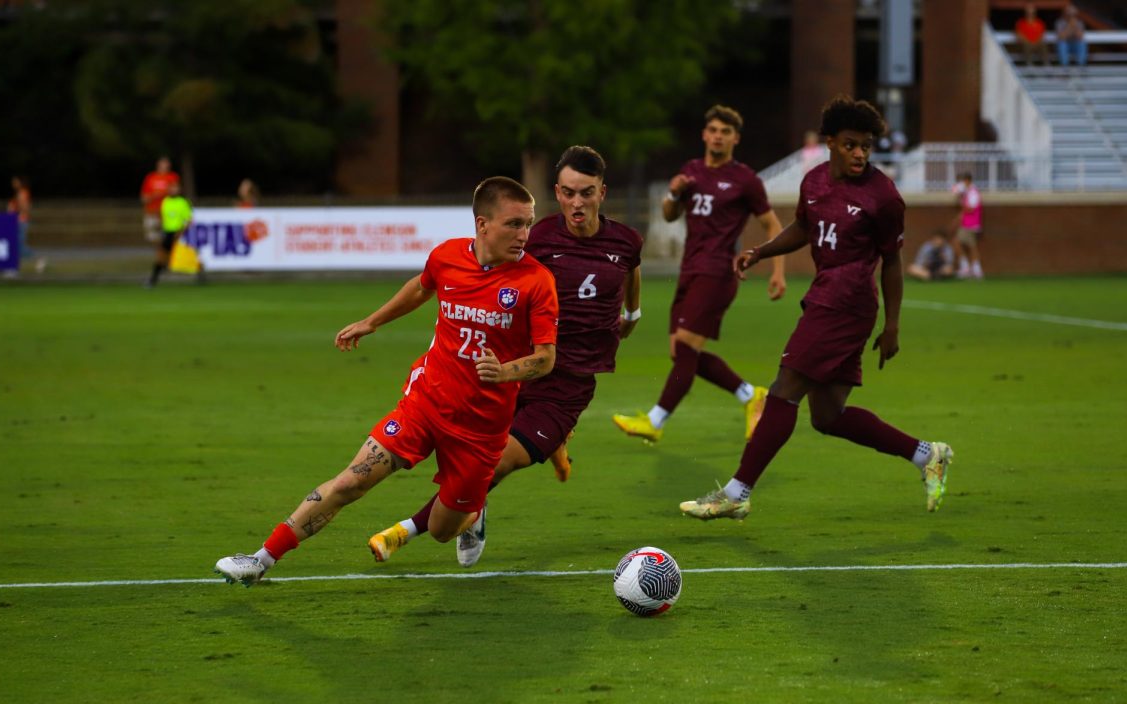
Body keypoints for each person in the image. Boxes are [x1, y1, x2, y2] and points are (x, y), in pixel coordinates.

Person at [214, 177, 560, 586]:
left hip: (481, 429)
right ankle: (260, 559)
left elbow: (546, 358)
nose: (524, 235)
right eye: (514, 224)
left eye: (529, 224)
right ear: (482, 224)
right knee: (352, 480)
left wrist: (503, 372)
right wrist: (371, 321)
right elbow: (421, 287)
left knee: (442, 529)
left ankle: (474, 511)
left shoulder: (536, 282)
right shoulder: (447, 256)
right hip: (426, 402)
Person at [678, 95, 953, 523]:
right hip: (825, 296)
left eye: (866, 145)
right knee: (827, 416)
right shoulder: (816, 181)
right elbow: (804, 228)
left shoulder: (884, 197)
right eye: (850, 144)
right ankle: (927, 454)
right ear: (830, 142)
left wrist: (893, 324)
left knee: (785, 388)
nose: (860, 153)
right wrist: (762, 252)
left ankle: (736, 492)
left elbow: (894, 262)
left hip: (848, 304)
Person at [369, 146, 644, 568]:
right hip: (515, 370)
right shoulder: (538, 237)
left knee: (495, 464)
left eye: (586, 193)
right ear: (557, 191)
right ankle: (477, 504)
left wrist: (632, 312)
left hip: (569, 384)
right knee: (480, 461)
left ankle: (408, 529)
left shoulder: (626, 241)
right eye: (568, 193)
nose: (576, 202)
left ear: (602, 193)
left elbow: (631, 271)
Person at [612, 104, 785, 446]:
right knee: (681, 352)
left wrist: (777, 270)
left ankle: (656, 420)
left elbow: (772, 223)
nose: (718, 136)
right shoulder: (691, 170)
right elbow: (670, 214)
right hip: (689, 269)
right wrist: (674, 192)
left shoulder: (745, 179)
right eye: (714, 130)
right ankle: (752, 395)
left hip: (718, 271)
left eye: (726, 132)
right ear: (705, 135)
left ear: (735, 138)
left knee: (686, 348)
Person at [146, 181, 193, 287]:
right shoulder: (165, 201)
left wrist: (181, 231)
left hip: (179, 233)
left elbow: (189, 219)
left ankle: (200, 277)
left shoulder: (183, 202)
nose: (173, 190)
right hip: (167, 232)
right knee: (161, 256)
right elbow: (162, 215)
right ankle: (153, 280)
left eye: (175, 188)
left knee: (188, 255)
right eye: (171, 188)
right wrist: (160, 226)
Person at [7, 175, 46, 275]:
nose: (13, 184)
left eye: (15, 182)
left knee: (19, 245)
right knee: (17, 245)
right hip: (19, 220)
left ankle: (38, 258)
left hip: (21, 221)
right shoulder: (21, 193)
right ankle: (15, 267)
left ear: (20, 182)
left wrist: (14, 210)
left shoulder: (22, 192)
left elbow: (25, 207)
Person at [139, 156, 180, 245]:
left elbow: (176, 192)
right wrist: (155, 195)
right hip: (152, 211)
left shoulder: (172, 177)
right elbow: (144, 197)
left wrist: (162, 194)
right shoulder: (150, 178)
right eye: (162, 163)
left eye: (166, 164)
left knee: (168, 238)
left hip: (167, 214)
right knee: (152, 237)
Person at [952, 171, 984, 280]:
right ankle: (974, 269)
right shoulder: (968, 192)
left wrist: (961, 201)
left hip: (971, 224)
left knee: (965, 244)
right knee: (970, 246)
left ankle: (970, 268)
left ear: (967, 181)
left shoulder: (973, 193)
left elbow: (970, 208)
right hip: (967, 223)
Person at [1055, 4, 1087, 68]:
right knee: (1062, 44)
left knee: (1082, 43)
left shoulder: (1079, 23)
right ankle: (1065, 67)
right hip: (1065, 44)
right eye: (1069, 13)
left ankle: (1081, 66)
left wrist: (1075, 26)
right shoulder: (1059, 22)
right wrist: (1069, 26)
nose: (1071, 15)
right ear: (1064, 13)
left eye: (1072, 14)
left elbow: (1080, 36)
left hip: (1075, 44)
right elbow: (1061, 37)